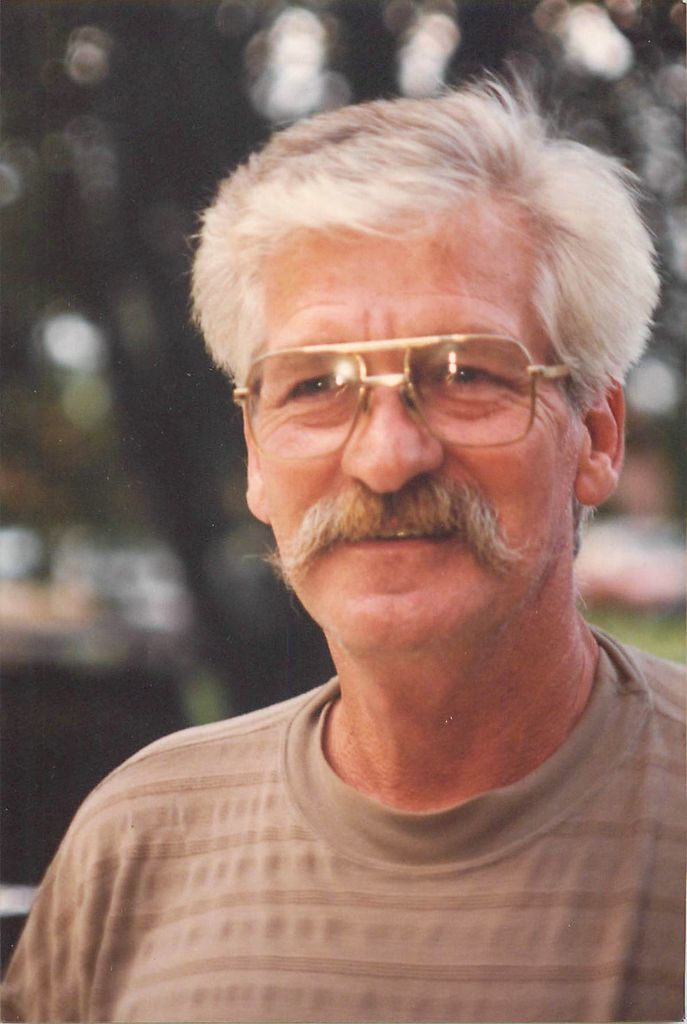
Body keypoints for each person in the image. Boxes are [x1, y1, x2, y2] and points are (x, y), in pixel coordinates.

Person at [2, 78, 684, 1024]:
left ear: (597, 436)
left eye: (464, 373)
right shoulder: (139, 842)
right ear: (255, 453)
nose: (386, 457)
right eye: (314, 386)